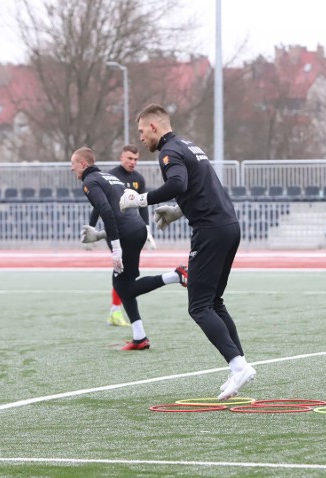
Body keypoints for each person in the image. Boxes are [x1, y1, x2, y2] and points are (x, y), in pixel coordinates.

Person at [119, 104, 255, 400]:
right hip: (229, 226)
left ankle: (239, 366)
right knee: (214, 302)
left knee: (198, 306)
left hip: (210, 231)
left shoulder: (170, 152)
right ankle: (239, 366)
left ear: (154, 127)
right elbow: (200, 188)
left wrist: (140, 200)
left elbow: (178, 183)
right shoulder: (189, 146)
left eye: (142, 131)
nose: (141, 138)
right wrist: (179, 211)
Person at [71, 146, 187, 350]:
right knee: (124, 284)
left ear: (83, 164)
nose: (73, 170)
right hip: (136, 230)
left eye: (73, 165)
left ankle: (175, 275)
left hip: (126, 235)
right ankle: (139, 337)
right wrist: (98, 234)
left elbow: (106, 210)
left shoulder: (90, 182)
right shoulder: (109, 177)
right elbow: (118, 211)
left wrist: (115, 248)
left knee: (123, 287)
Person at [87, 145, 157, 327]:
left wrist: (147, 229)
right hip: (116, 231)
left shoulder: (138, 179)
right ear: (121, 158)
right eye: (129, 159)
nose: (132, 162)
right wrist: (90, 228)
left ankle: (116, 311)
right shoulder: (110, 176)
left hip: (133, 229)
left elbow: (142, 204)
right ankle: (116, 311)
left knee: (125, 273)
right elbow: (98, 205)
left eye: (136, 159)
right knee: (122, 271)